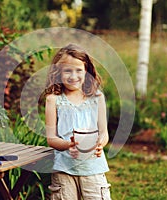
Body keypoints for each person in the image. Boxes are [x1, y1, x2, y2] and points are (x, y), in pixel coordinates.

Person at [44, 43, 111, 200]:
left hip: (92, 166)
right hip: (64, 168)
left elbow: (104, 133)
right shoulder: (53, 100)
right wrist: (69, 145)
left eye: (79, 70)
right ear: (58, 73)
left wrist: (100, 145)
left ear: (86, 71)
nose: (73, 76)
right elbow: (51, 139)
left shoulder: (97, 98)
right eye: (67, 71)